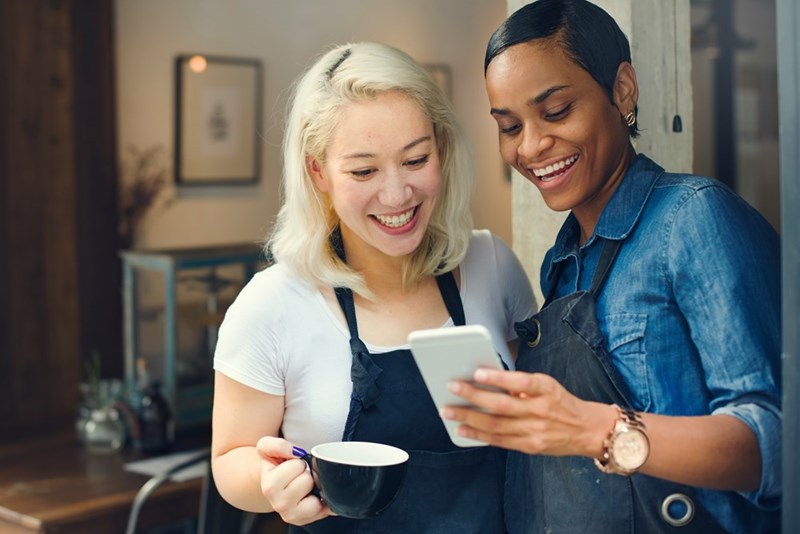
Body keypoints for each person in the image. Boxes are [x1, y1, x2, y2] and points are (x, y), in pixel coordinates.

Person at [442, 1, 782, 533]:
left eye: (557, 111)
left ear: (622, 90)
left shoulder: (693, 218)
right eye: (509, 126)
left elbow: (776, 444)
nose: (531, 146)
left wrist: (594, 429)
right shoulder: (562, 261)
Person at [210, 41, 537, 533]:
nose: (397, 194)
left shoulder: (491, 265)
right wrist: (271, 483)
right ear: (318, 171)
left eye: (416, 160)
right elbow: (231, 458)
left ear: (442, 149)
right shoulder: (272, 304)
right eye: (364, 170)